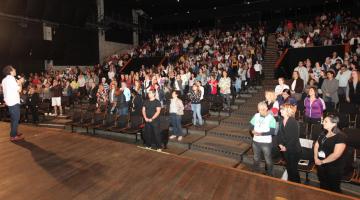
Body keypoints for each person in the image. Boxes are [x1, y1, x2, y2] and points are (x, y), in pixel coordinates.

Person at [314, 115, 347, 193]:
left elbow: (336, 154)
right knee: (323, 185)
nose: (323, 123)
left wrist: (322, 161)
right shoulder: (323, 133)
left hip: (333, 166)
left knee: (333, 188)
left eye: (326, 121)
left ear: (334, 124)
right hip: (321, 164)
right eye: (323, 121)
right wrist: (316, 158)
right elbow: (316, 145)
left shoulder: (341, 136)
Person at [250, 101, 276, 176]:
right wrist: (252, 131)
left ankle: (270, 174)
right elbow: (251, 125)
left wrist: (261, 133)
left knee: (268, 159)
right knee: (256, 158)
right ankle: (255, 171)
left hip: (266, 142)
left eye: (262, 109)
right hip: (256, 141)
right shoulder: (256, 115)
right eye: (259, 109)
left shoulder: (271, 118)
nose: (260, 111)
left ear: (266, 108)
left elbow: (272, 131)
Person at [278, 103, 302, 183]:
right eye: (280, 109)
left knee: (293, 170)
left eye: (282, 109)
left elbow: (294, 138)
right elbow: (280, 134)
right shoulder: (282, 121)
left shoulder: (293, 122)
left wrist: (286, 147)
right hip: (285, 149)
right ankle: (291, 184)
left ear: (287, 111)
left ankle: (297, 185)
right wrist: (280, 144)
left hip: (293, 150)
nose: (280, 110)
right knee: (289, 168)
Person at [2, 65, 24, 141]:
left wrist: (17, 82)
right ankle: (13, 136)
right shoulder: (11, 79)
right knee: (16, 119)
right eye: (14, 69)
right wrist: (20, 83)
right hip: (14, 101)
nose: (15, 70)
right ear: (10, 71)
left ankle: (14, 131)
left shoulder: (4, 80)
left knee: (13, 118)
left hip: (9, 101)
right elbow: (19, 90)